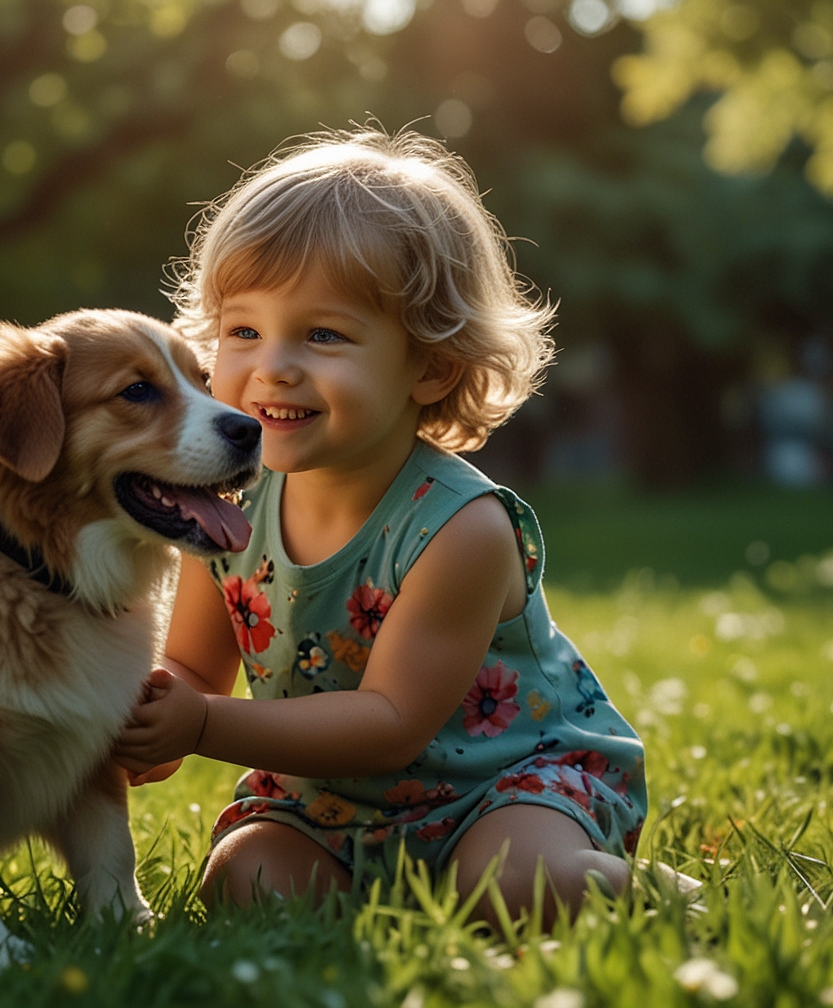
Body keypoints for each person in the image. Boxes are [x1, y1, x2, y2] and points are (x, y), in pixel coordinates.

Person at [113, 128, 647, 925]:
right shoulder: (228, 505)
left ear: (430, 365)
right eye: (242, 330)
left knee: (513, 889)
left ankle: (655, 892)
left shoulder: (459, 526)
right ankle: (388, 888)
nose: (273, 366)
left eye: (323, 334)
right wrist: (150, 716)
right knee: (243, 885)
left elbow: (391, 723)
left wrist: (199, 726)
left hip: (505, 787)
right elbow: (193, 663)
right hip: (327, 802)